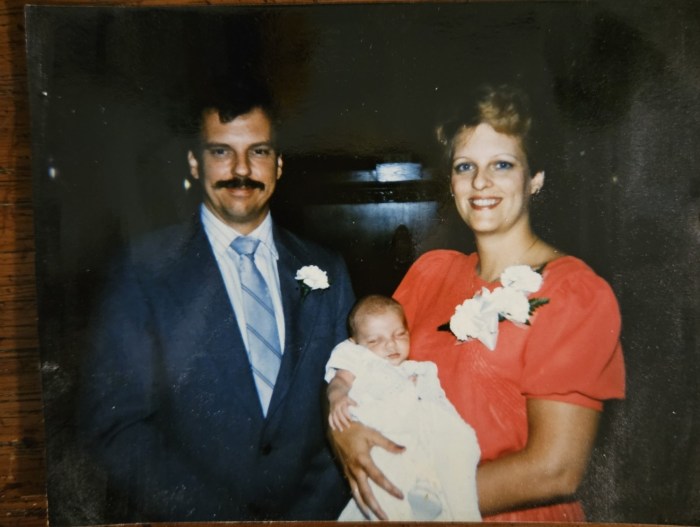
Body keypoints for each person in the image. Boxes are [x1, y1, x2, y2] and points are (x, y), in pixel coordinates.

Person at [329, 84, 625, 522]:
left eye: (502, 164)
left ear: (536, 178)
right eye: (465, 166)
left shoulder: (572, 292)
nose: (480, 182)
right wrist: (344, 432)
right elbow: (358, 364)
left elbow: (556, 471)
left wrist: (418, 508)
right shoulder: (431, 274)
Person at [78, 85, 354, 522]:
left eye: (258, 151)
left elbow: (351, 404)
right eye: (221, 152)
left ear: (279, 164)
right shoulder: (142, 271)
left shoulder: (328, 271)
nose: (241, 170)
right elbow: (116, 425)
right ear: (195, 162)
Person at [326, 294, 481, 522]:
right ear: (355, 343)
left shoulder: (416, 370)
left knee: (458, 440)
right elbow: (339, 381)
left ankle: (452, 506)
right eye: (374, 341)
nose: (391, 345)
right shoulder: (359, 359)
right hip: (379, 428)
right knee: (388, 470)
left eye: (400, 335)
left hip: (414, 434)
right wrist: (337, 396)